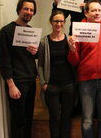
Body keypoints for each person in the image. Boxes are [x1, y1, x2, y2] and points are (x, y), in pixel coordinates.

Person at [67, 0, 101, 138]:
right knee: (87, 121)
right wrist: (72, 49)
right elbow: (74, 62)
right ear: (86, 13)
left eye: (99, 10)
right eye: (93, 10)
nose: (97, 13)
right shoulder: (79, 29)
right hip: (85, 81)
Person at [0, 0, 38, 138]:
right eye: (26, 8)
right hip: (17, 82)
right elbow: (4, 59)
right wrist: (11, 85)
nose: (28, 12)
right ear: (19, 9)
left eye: (31, 10)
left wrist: (35, 52)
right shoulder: (6, 31)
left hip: (31, 81)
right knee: (18, 121)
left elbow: (32, 56)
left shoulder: (31, 31)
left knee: (28, 119)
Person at [38, 10, 76, 138]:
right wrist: (43, 84)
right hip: (52, 85)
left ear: (64, 23)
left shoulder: (69, 39)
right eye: (56, 21)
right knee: (54, 117)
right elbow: (40, 64)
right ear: (51, 22)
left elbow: (75, 60)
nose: (58, 23)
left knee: (66, 117)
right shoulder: (44, 41)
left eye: (61, 21)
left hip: (68, 85)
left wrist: (73, 49)